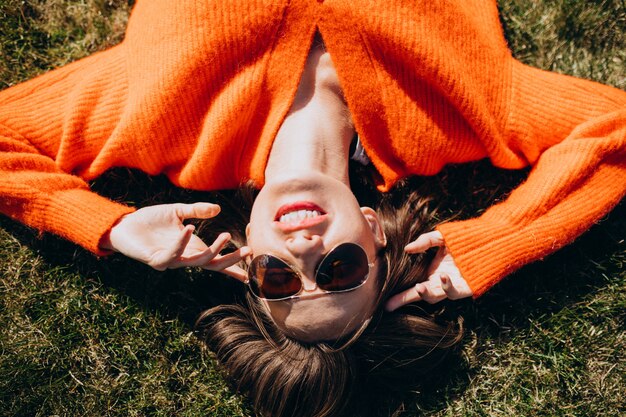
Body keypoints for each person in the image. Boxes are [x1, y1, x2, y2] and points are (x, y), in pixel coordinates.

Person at [1, 0, 625, 416]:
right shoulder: (453, 117)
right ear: (377, 233)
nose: (304, 251)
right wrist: (499, 239)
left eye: (278, 279)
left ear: (245, 253)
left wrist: (112, 227)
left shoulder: (157, 122)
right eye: (340, 271)